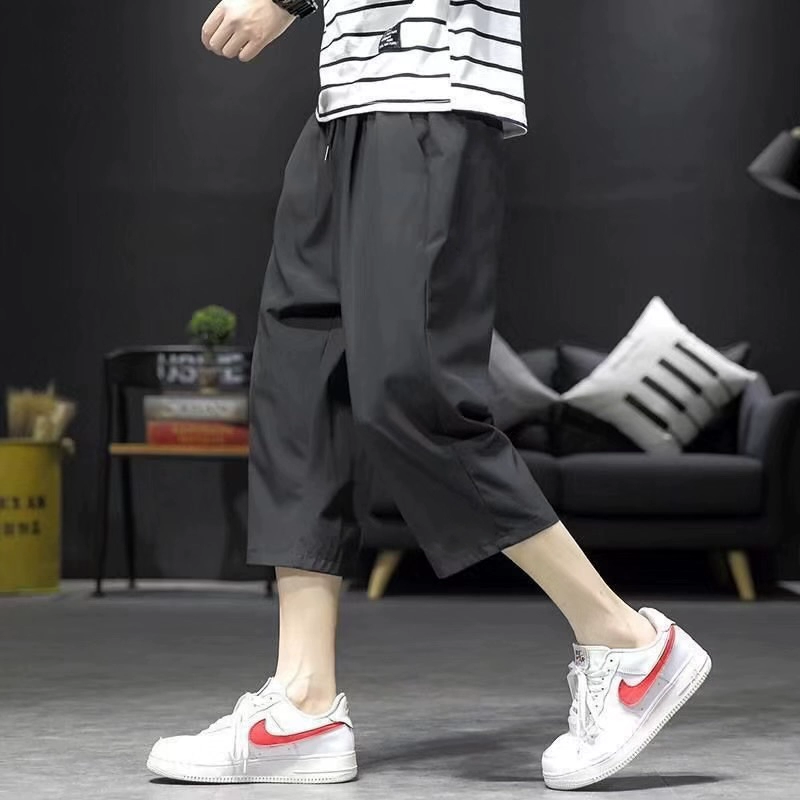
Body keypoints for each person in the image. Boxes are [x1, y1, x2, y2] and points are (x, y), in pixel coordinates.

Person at [146, 0, 711, 790]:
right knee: (300, 390)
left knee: (410, 392)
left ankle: (626, 641)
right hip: (342, 104)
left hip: (426, 87)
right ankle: (303, 704)